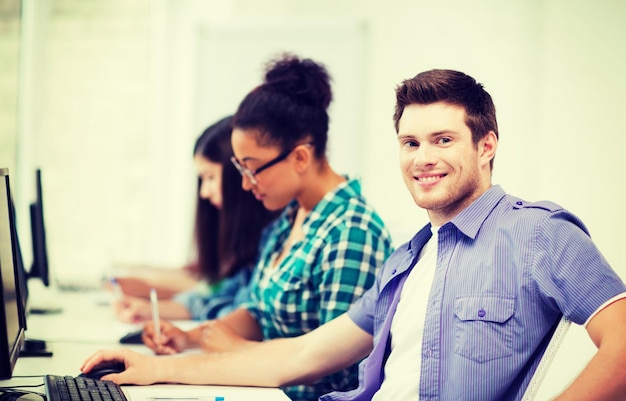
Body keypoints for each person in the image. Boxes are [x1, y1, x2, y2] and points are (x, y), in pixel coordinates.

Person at [82, 69, 626, 400]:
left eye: (443, 139)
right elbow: (297, 357)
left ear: (486, 146)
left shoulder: (537, 233)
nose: (424, 158)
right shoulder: (408, 260)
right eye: (410, 143)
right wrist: (156, 369)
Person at [136, 54, 392, 400]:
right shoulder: (289, 218)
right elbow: (259, 311)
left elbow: (339, 375)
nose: (245, 184)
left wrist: (237, 350)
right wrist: (193, 337)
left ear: (300, 157)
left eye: (252, 168)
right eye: (240, 169)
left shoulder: (352, 233)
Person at [114, 116, 279, 322]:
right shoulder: (246, 242)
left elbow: (238, 312)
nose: (204, 192)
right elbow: (217, 296)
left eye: (210, 177)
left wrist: (151, 296)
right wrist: (150, 309)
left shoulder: (273, 236)